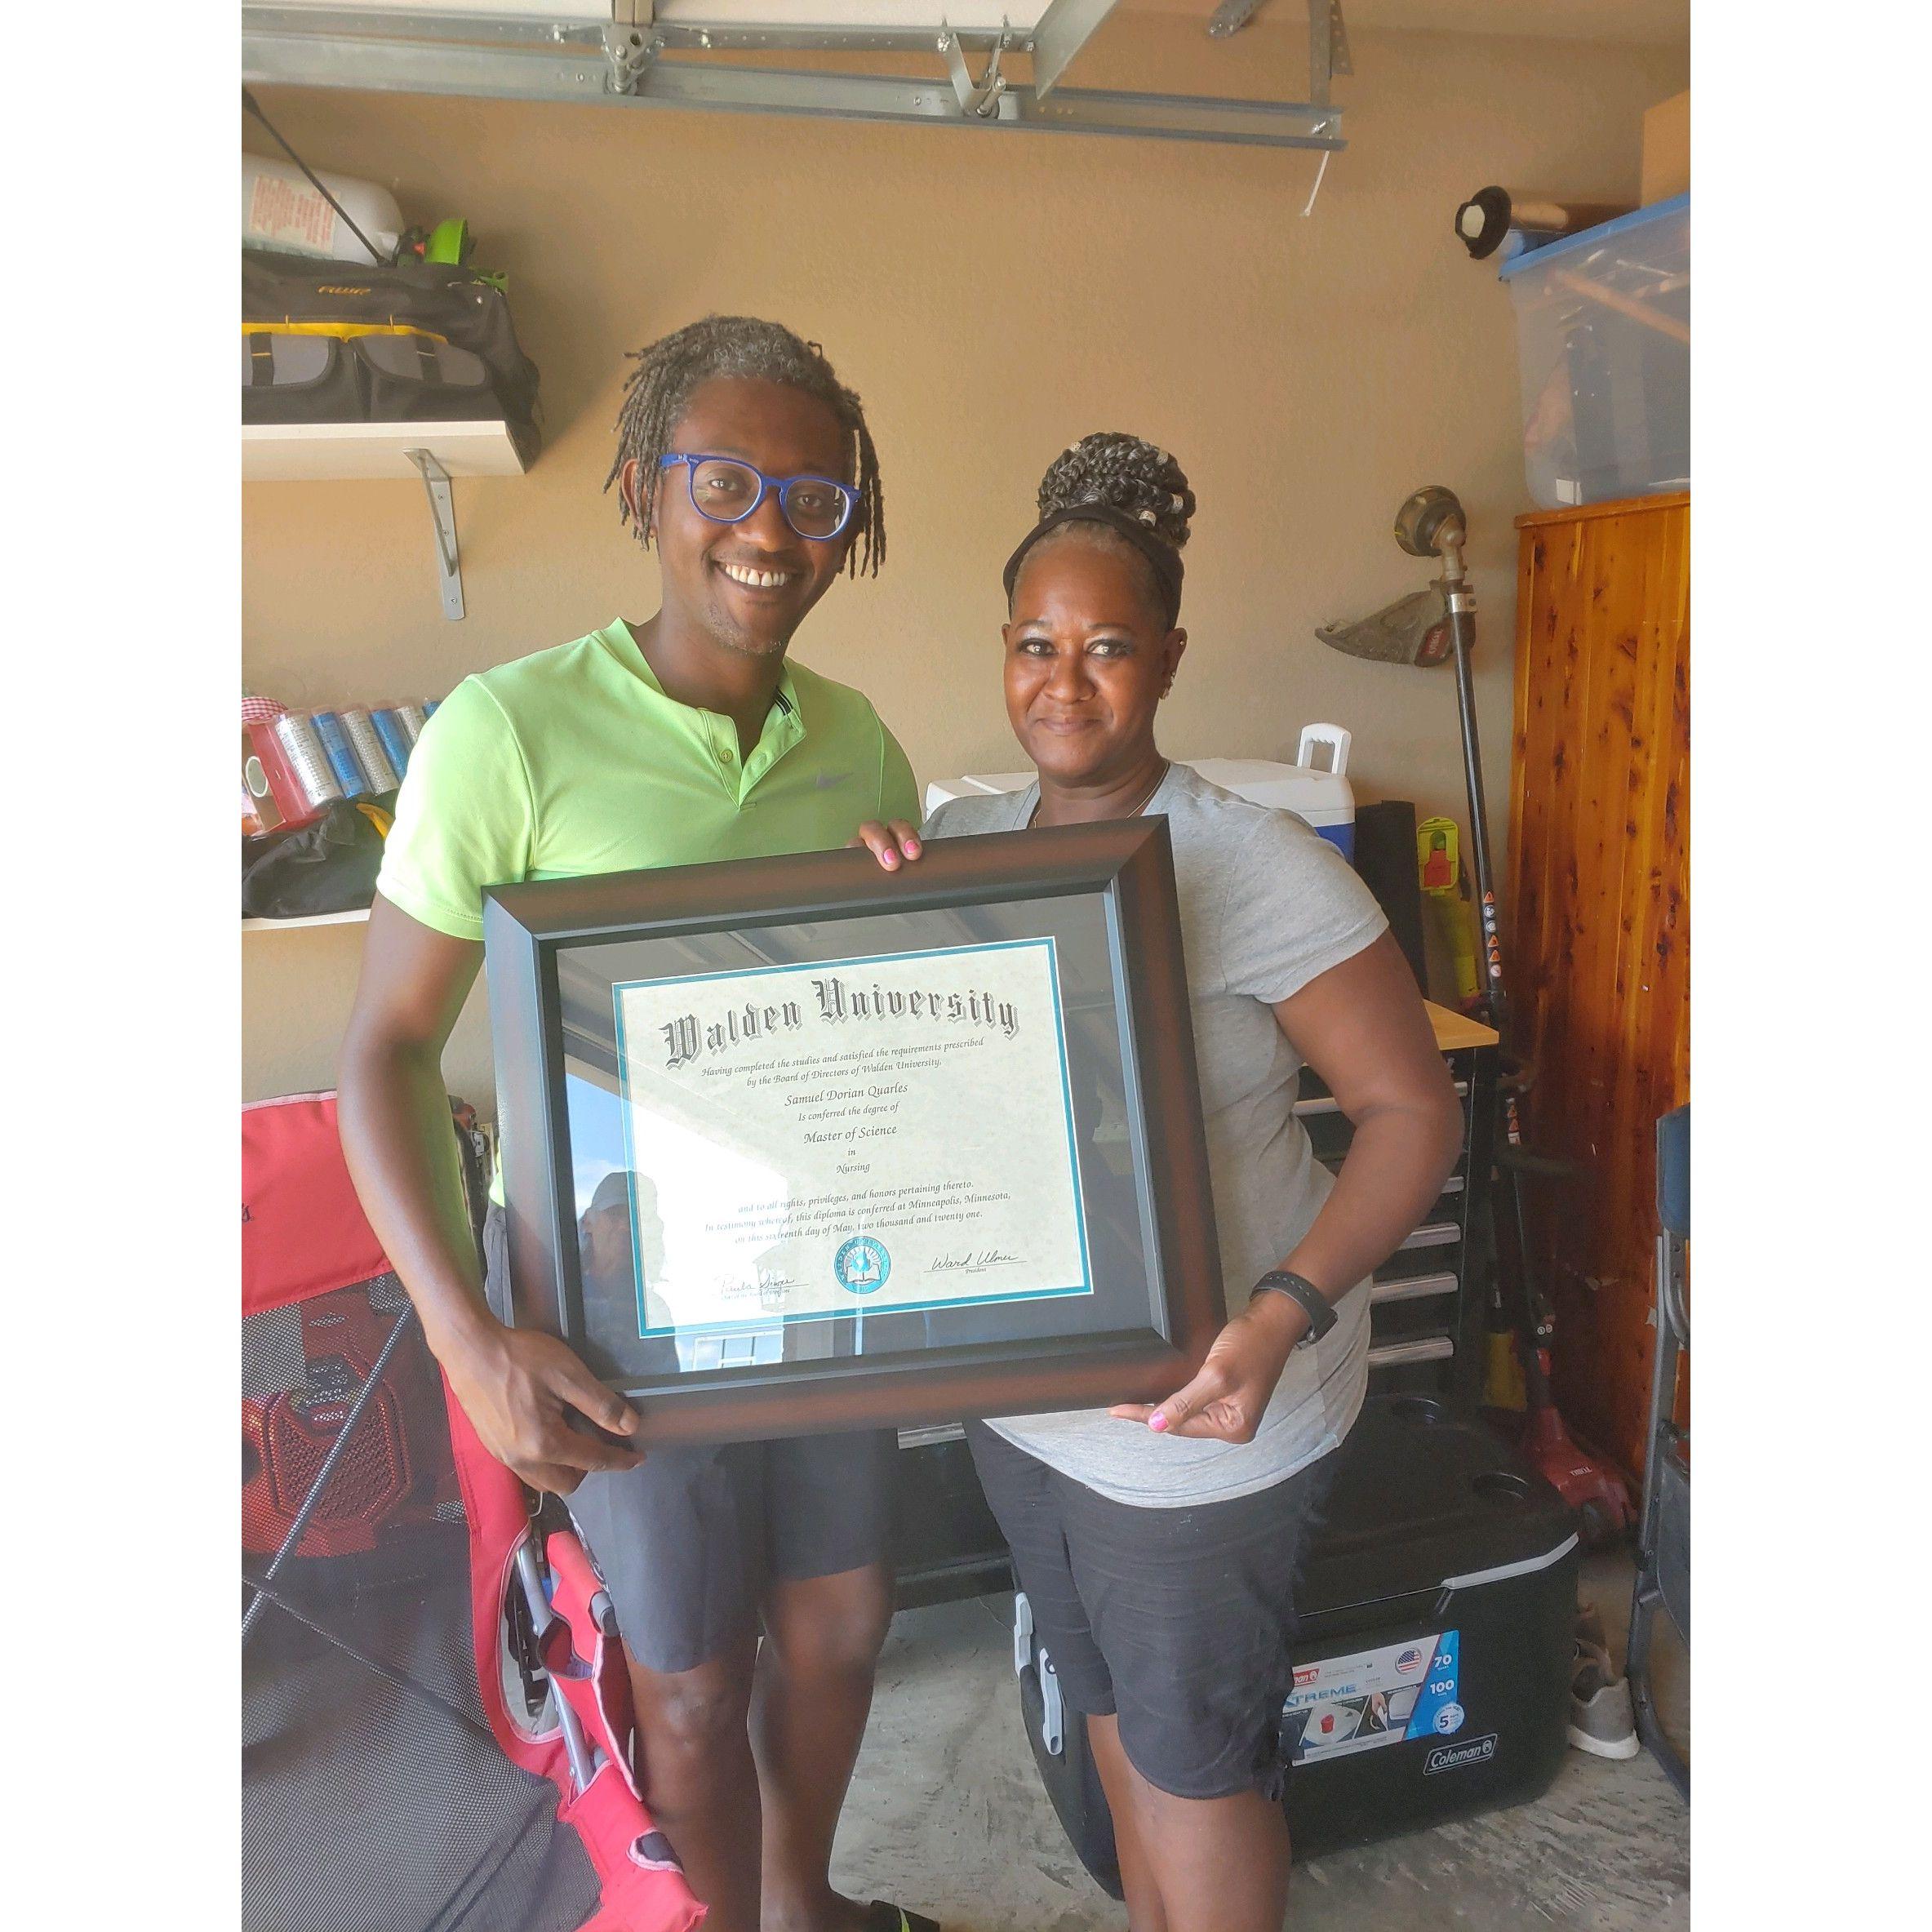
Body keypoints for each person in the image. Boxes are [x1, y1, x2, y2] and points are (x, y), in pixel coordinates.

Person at [338, 316, 936, 1932]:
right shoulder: (504, 731)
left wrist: (922, 924)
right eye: (725, 480)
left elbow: (882, 1032)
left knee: (842, 1625)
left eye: (815, 497)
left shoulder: (860, 744)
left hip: (825, 1268)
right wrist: (469, 1338)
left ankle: (801, 1904)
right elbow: (386, 1050)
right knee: (690, 1671)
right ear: (640, 486)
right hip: (616, 1291)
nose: (769, 529)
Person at [855, 433, 1464, 1932]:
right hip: (1028, 1401)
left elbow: (1412, 1113)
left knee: (1200, 1770)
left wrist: (1284, 1311)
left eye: (1108, 647)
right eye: (1035, 644)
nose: (1064, 683)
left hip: (1206, 1417)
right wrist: (852, 919)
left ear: (1170, 658)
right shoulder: (961, 841)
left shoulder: (1253, 860)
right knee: (1113, 1715)